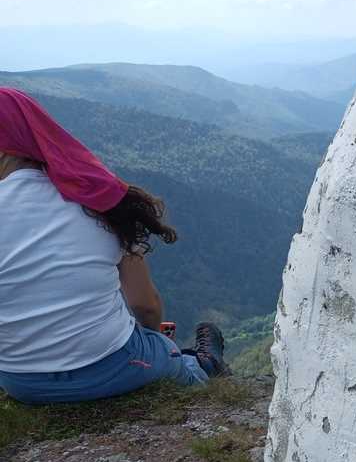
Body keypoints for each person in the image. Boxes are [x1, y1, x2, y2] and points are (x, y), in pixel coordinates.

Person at [0, 87, 230, 405]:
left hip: (21, 382)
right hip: (112, 364)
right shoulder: (94, 201)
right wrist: (153, 338)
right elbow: (145, 305)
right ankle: (205, 365)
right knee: (172, 358)